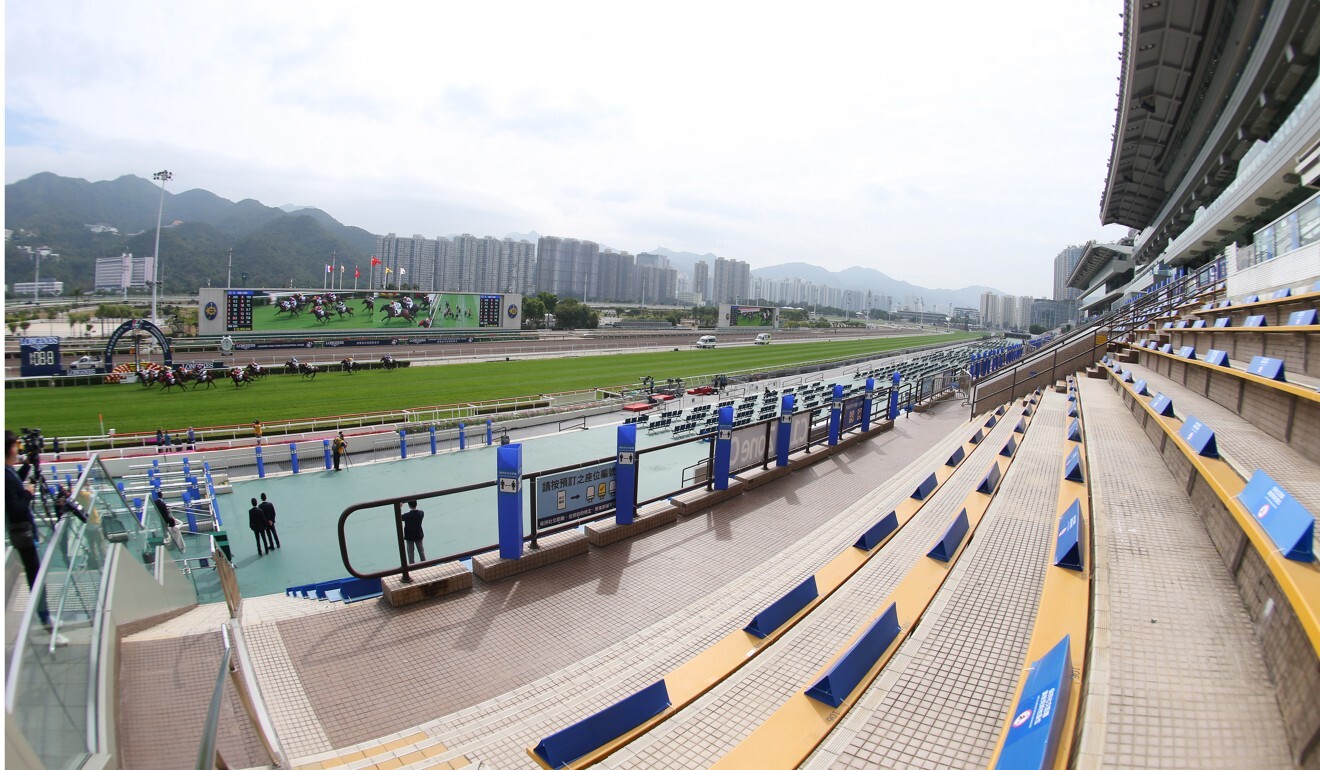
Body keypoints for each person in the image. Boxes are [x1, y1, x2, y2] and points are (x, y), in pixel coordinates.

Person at [5, 431, 65, 646]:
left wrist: (28, 465)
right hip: (23, 532)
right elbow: (18, 507)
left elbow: (14, 482)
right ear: (11, 448)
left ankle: (45, 617)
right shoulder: (5, 474)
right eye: (17, 446)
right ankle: (46, 621)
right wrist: (29, 493)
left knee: (35, 577)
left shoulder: (8, 472)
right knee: (36, 578)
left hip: (21, 531)